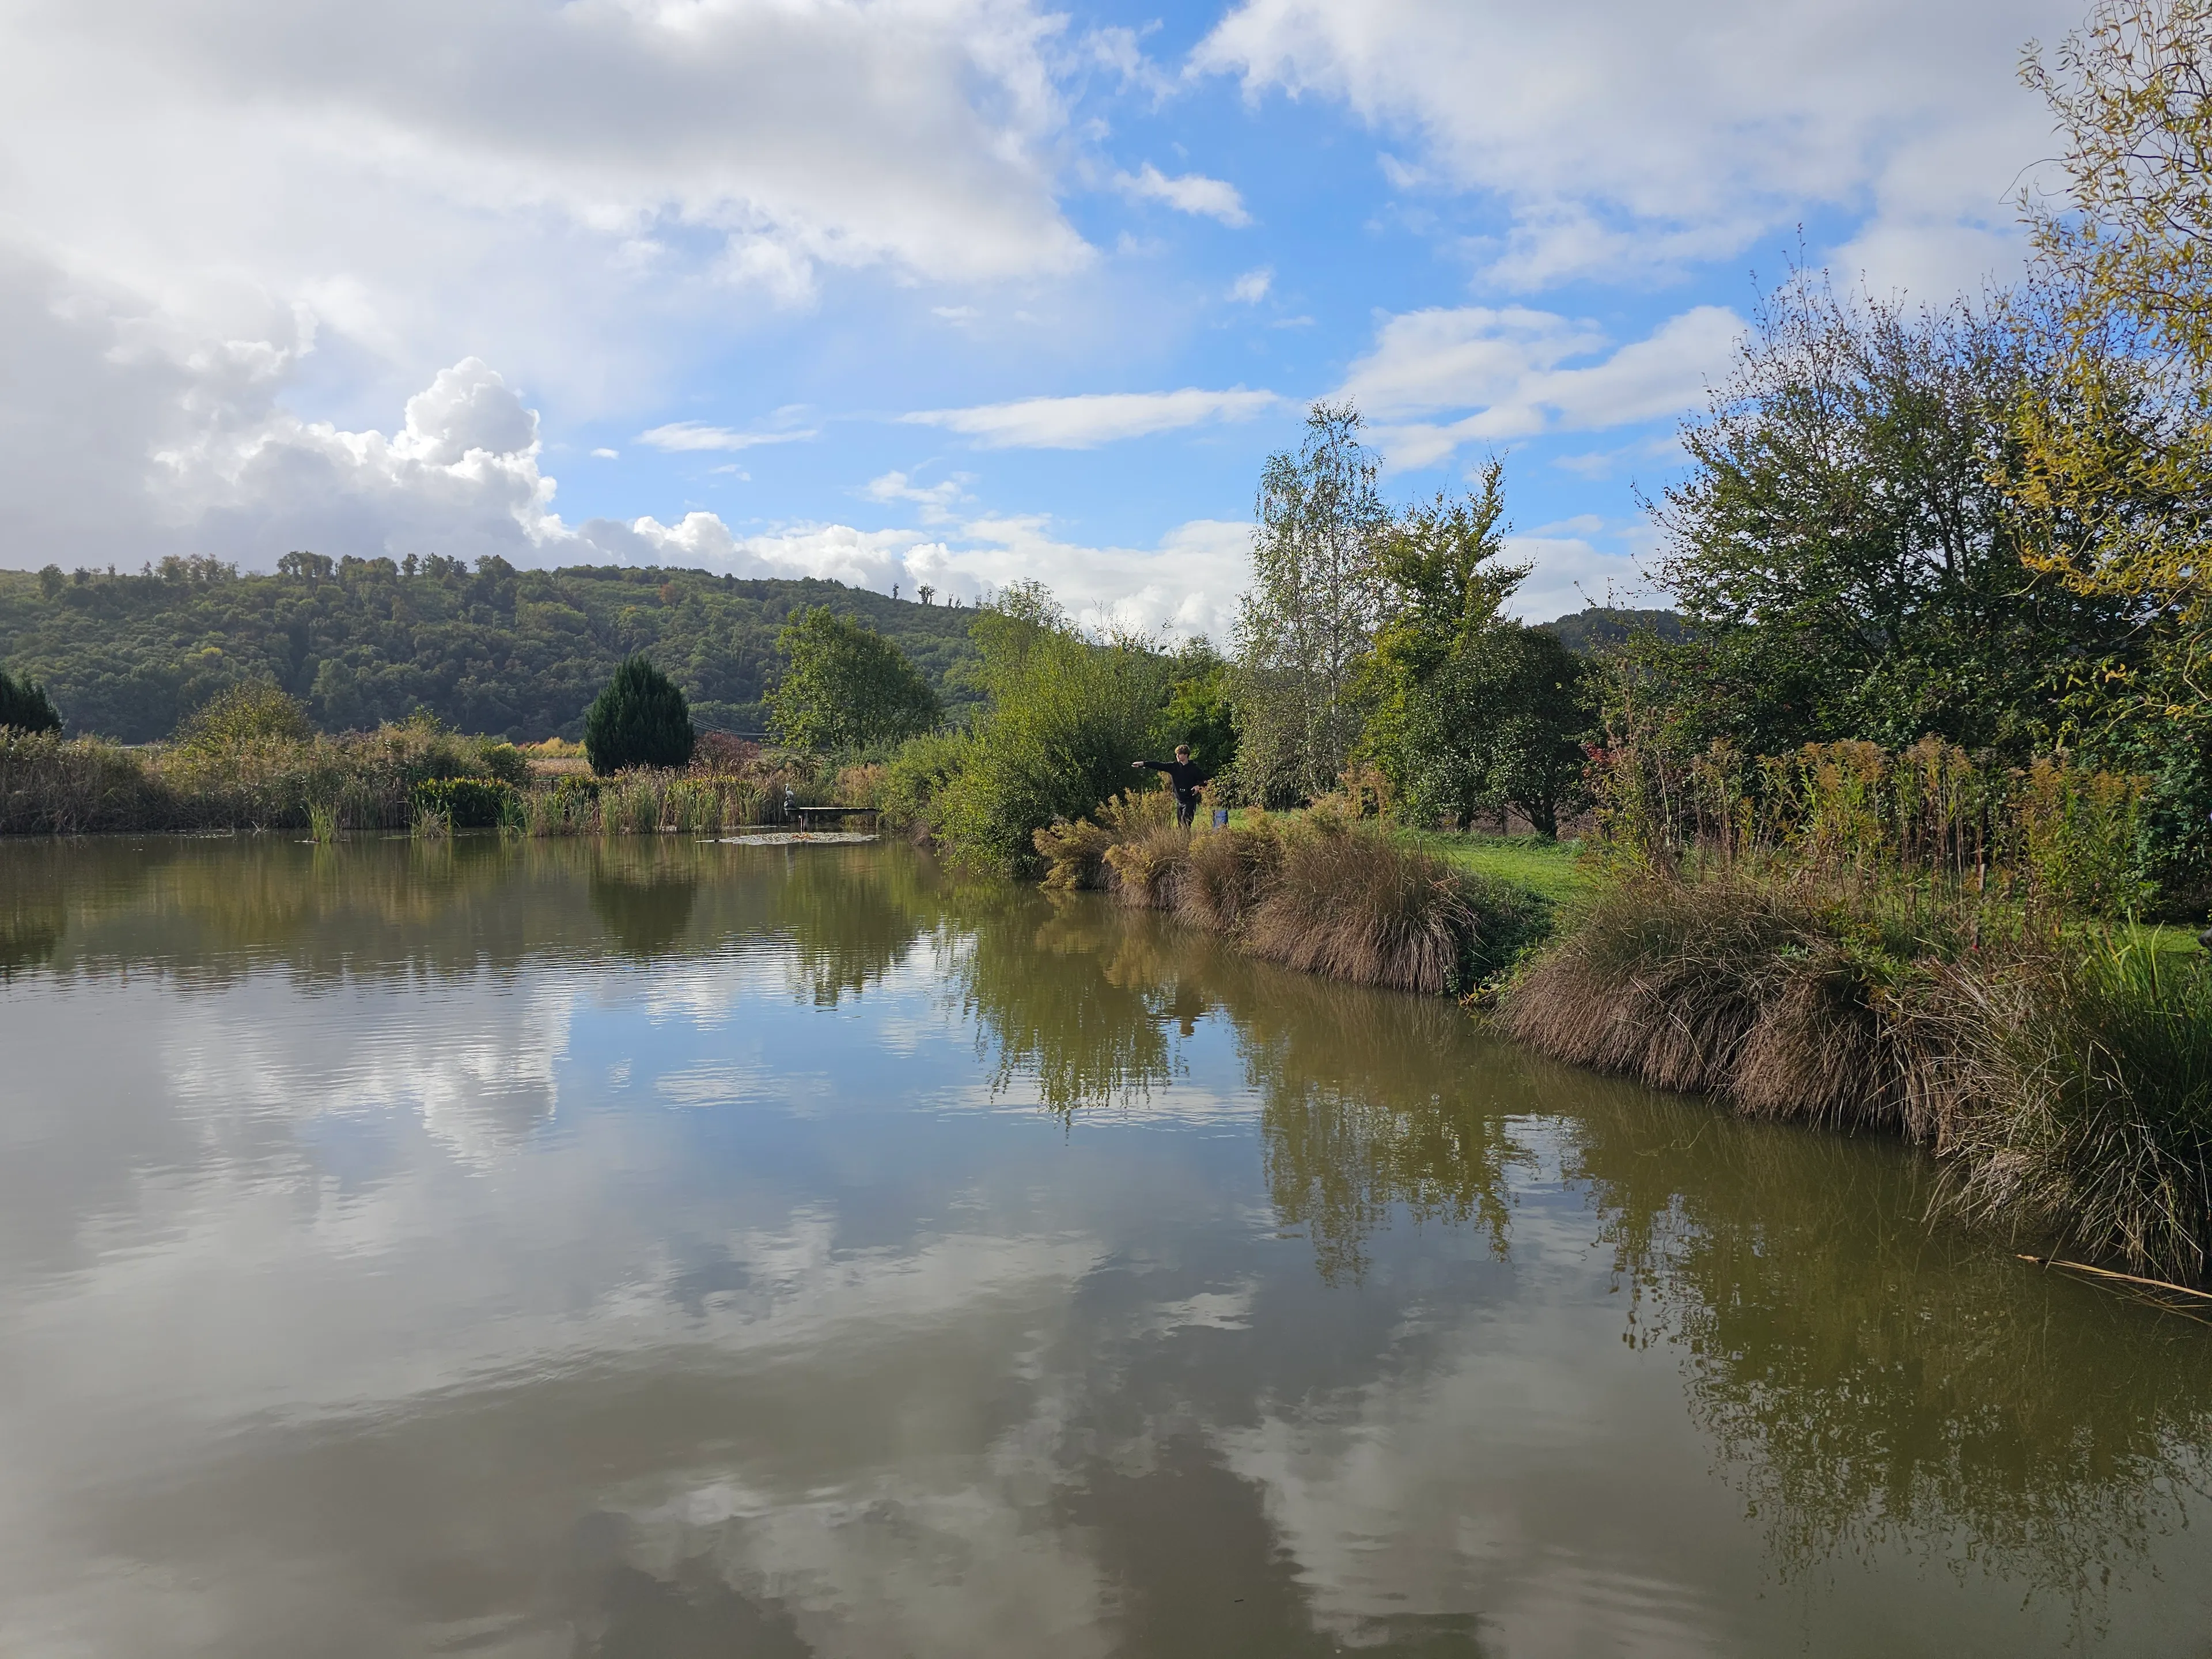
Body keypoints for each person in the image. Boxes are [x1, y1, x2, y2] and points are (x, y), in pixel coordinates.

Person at [1133, 745, 1209, 830]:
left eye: (1180, 754)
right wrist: (1143, 764)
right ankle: (1183, 843)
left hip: (1189, 802)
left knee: (1185, 825)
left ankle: (1186, 841)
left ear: (1186, 755)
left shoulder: (1194, 769)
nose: (1177, 756)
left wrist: (1199, 786)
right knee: (1181, 827)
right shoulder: (1174, 767)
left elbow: (1208, 780)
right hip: (1179, 801)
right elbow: (1159, 765)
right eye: (1177, 754)